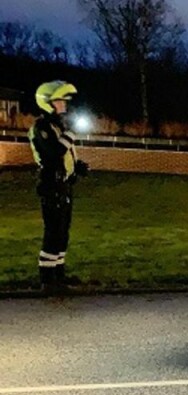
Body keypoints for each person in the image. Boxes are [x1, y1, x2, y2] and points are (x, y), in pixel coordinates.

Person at [29, 81, 89, 293]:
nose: (64, 105)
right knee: (53, 231)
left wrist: (77, 168)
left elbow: (66, 154)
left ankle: (59, 275)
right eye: (59, 101)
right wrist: (71, 134)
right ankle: (47, 279)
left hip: (63, 185)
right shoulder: (42, 128)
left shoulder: (58, 126)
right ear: (47, 103)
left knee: (63, 232)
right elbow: (54, 152)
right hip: (51, 186)